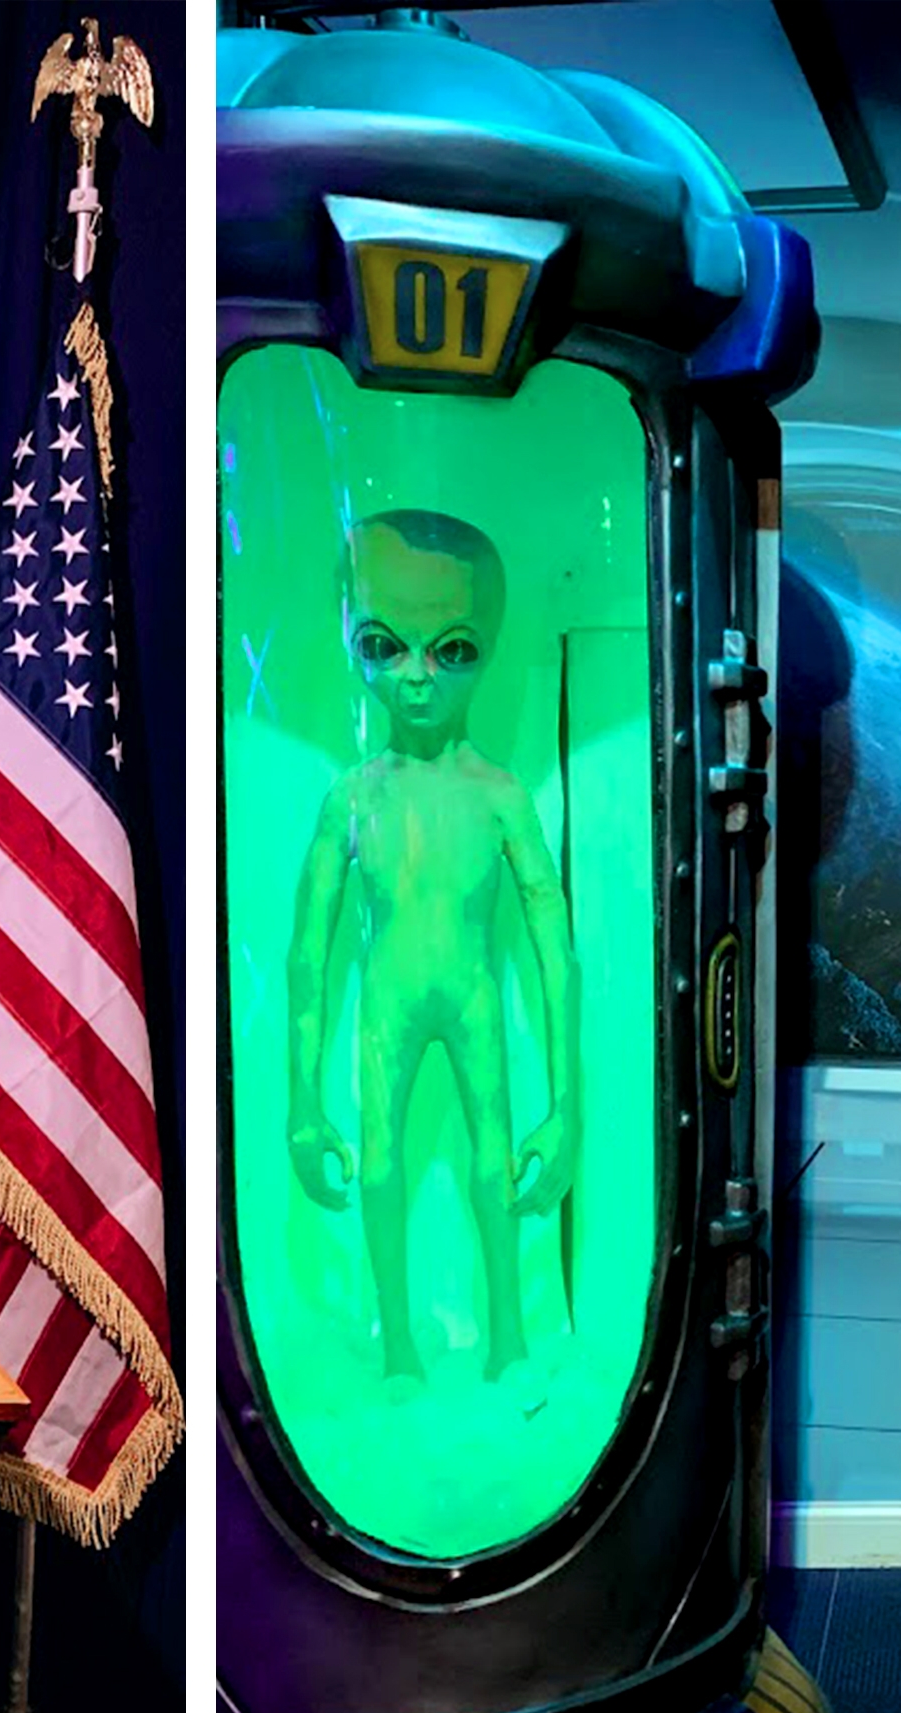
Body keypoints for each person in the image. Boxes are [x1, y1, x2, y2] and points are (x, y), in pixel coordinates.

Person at [285, 510, 576, 1384]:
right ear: (351, 639)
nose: (416, 678)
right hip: (391, 994)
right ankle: (401, 1351)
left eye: (451, 651)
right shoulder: (352, 797)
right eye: (384, 646)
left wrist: (567, 1110)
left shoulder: (499, 795)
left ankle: (510, 1343)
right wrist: (301, 1102)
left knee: (494, 1163)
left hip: (469, 990)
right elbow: (307, 954)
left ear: (486, 646)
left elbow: (555, 947)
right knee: (381, 1164)